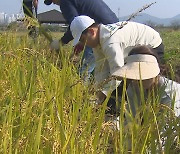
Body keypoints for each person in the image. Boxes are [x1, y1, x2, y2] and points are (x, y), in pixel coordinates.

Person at [70, 15, 165, 114]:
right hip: (132, 51)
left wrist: (102, 94)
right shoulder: (98, 41)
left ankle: (151, 112)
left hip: (152, 46)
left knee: (142, 84)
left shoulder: (111, 43)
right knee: (118, 87)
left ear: (91, 32)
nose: (84, 44)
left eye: (82, 40)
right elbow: (101, 69)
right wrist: (98, 91)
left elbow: (118, 74)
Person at [44, 0, 119, 78]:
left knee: (85, 69)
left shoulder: (65, 2)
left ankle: (82, 88)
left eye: (52, 0)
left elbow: (75, 25)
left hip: (97, 32)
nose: (53, 3)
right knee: (103, 67)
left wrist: (61, 42)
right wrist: (82, 42)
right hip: (113, 27)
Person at [112, 45, 180, 118]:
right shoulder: (133, 88)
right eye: (133, 76)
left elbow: (168, 126)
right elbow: (131, 120)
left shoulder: (171, 93)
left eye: (141, 76)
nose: (136, 81)